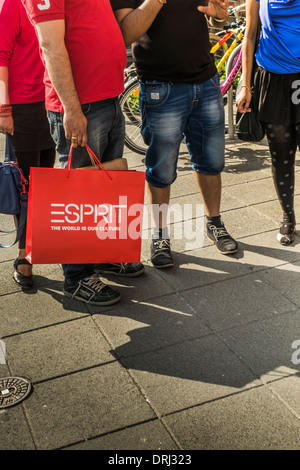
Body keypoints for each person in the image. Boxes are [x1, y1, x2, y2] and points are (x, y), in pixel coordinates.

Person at [22, 0, 144, 306]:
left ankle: (100, 256)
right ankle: (77, 278)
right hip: (83, 105)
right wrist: (72, 109)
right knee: (77, 195)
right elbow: (50, 44)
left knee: (103, 189)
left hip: (108, 97)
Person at [110, 0, 239, 269]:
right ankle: (159, 236)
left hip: (205, 81)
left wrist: (218, 19)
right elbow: (126, 33)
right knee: (161, 167)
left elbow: (211, 16)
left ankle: (214, 222)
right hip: (160, 86)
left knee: (211, 162)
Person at [0, 0, 56, 290]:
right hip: (22, 108)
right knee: (25, 187)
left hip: (53, 102)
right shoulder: (12, 4)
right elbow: (0, 56)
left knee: (44, 185)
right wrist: (3, 109)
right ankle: (24, 255)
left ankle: (35, 244)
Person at [237, 0, 300, 246]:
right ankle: (288, 217)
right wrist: (245, 85)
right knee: (281, 155)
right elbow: (250, 37)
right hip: (273, 80)